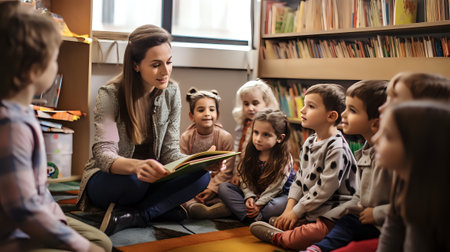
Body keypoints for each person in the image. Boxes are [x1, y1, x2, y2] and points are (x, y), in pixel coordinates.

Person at [76, 24, 213, 236]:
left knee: (202, 176)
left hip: (151, 177)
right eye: (156, 65)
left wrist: (200, 161)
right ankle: (157, 208)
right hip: (112, 179)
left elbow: (169, 153)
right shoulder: (109, 95)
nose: (165, 71)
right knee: (136, 182)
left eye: (169, 62)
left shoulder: (172, 92)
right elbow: (103, 155)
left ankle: (136, 215)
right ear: (136, 65)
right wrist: (136, 166)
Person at [0, 2, 111, 251]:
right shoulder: (11, 126)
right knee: (94, 247)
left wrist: (58, 221)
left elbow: (37, 190)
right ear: (33, 71)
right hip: (14, 234)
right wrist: (80, 246)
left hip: (39, 213)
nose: (57, 67)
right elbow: (23, 210)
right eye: (53, 60)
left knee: (101, 241)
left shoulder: (22, 112)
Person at [250, 84, 358, 251]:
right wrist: (289, 209)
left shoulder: (337, 148)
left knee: (315, 233)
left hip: (334, 213)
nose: (302, 110)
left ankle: (280, 237)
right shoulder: (309, 142)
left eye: (311, 106)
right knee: (291, 219)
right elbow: (299, 179)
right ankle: (290, 225)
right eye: (304, 104)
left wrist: (295, 212)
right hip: (312, 209)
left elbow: (323, 190)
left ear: (331, 116)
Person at [303, 80, 392, 252]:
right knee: (345, 224)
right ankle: (318, 248)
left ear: (375, 124)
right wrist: (330, 215)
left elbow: (406, 207)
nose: (343, 114)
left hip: (386, 228)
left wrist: (376, 213)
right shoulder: (366, 151)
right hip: (363, 221)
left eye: (352, 110)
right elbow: (360, 197)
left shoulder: (390, 160)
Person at [373, 101, 450, 252]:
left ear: (418, 144)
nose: (376, 139)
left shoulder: (438, 207)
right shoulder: (408, 188)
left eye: (387, 136)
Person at [218, 109, 295, 223]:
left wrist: (258, 205)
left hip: (276, 196)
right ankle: (253, 217)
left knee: (277, 205)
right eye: (256, 132)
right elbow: (244, 179)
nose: (258, 139)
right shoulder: (250, 153)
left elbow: (276, 187)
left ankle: (248, 216)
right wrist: (249, 197)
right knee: (224, 187)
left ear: (280, 138)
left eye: (266, 135)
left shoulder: (285, 158)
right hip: (256, 195)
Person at [179, 87, 234, 219]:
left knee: (227, 190)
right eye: (201, 110)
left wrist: (211, 188)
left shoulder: (225, 137)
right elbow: (183, 166)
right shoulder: (186, 138)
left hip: (217, 183)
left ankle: (218, 208)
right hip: (193, 182)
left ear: (217, 114)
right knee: (179, 191)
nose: (207, 113)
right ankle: (194, 207)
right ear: (191, 116)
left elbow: (227, 170)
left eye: (211, 109)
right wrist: (198, 186)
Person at [231, 79, 279, 185]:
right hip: (244, 170)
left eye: (255, 103)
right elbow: (238, 151)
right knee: (225, 188)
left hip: (264, 171)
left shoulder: (272, 125)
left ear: (266, 103)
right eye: (246, 104)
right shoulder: (244, 125)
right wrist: (236, 173)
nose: (250, 108)